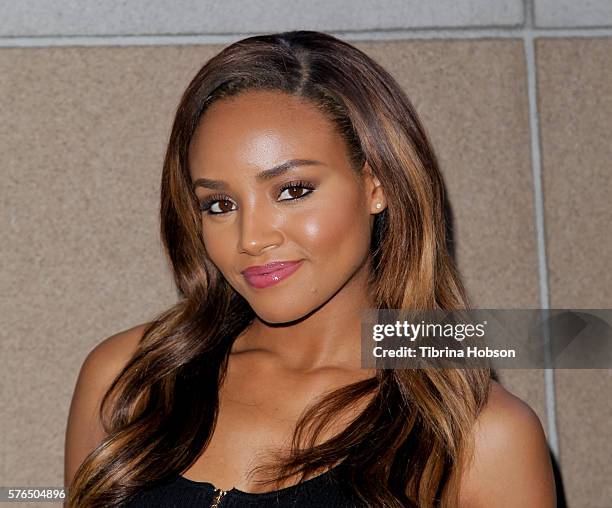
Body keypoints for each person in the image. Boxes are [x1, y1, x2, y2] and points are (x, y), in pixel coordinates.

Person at [64, 30, 556, 507]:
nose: (251, 238)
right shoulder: (130, 379)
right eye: (219, 204)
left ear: (377, 185)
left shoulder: (479, 439)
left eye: (293, 190)